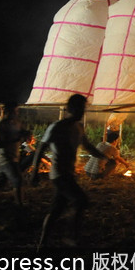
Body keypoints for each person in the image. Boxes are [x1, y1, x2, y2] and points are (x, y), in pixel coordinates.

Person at [31, 94, 112, 249]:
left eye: (83, 108)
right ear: (71, 108)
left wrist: (105, 158)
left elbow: (88, 147)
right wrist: (34, 172)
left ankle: (42, 243)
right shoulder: (57, 127)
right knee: (81, 200)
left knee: (56, 210)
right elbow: (41, 149)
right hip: (59, 175)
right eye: (80, 108)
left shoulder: (78, 127)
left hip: (68, 174)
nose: (82, 111)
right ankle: (70, 236)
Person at [0, 102, 30, 209]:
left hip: (14, 157)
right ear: (7, 111)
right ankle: (19, 206)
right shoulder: (1, 125)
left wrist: (26, 134)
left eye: (16, 111)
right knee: (18, 180)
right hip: (6, 158)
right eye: (14, 111)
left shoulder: (17, 123)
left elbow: (22, 132)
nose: (16, 113)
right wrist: (16, 138)